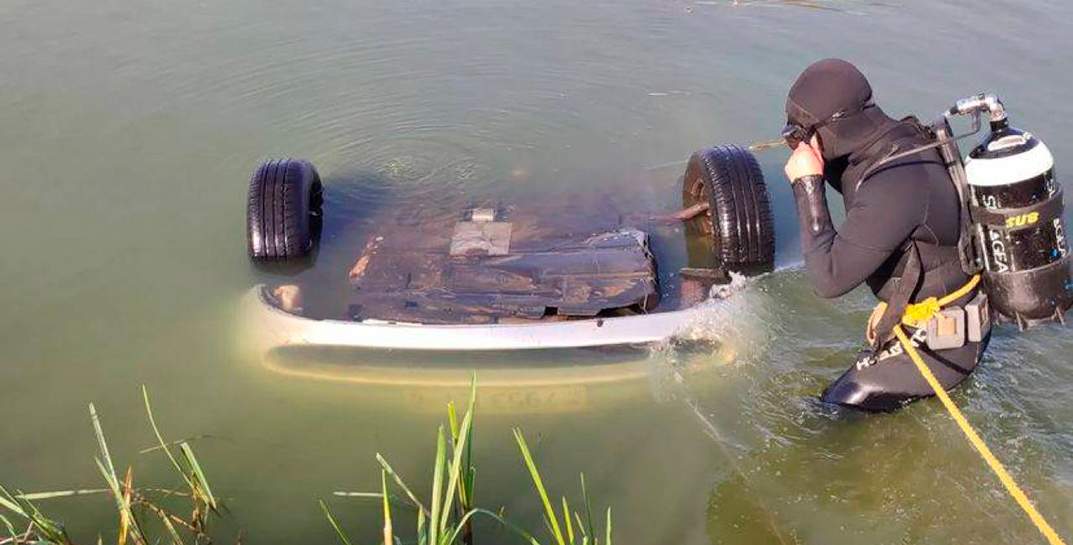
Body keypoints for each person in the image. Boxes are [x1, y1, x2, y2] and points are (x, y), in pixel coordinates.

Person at [782, 58, 989, 412]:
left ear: (828, 128)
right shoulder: (900, 139)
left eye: (798, 134)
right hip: (948, 313)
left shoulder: (893, 185)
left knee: (828, 412)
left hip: (944, 345)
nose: (795, 143)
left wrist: (807, 185)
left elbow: (828, 280)